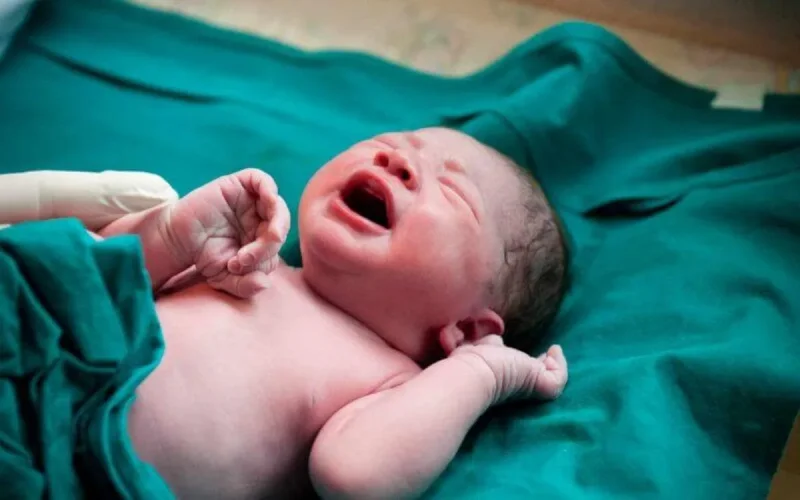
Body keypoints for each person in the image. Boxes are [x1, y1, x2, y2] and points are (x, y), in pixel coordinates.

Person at [9, 126, 570, 499]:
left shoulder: (389, 380)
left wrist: (480, 373)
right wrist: (170, 238)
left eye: (451, 192)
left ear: (467, 328)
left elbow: (355, 478)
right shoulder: (249, 260)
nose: (397, 160)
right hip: (31, 348)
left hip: (73, 468)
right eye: (394, 142)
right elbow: (95, 286)